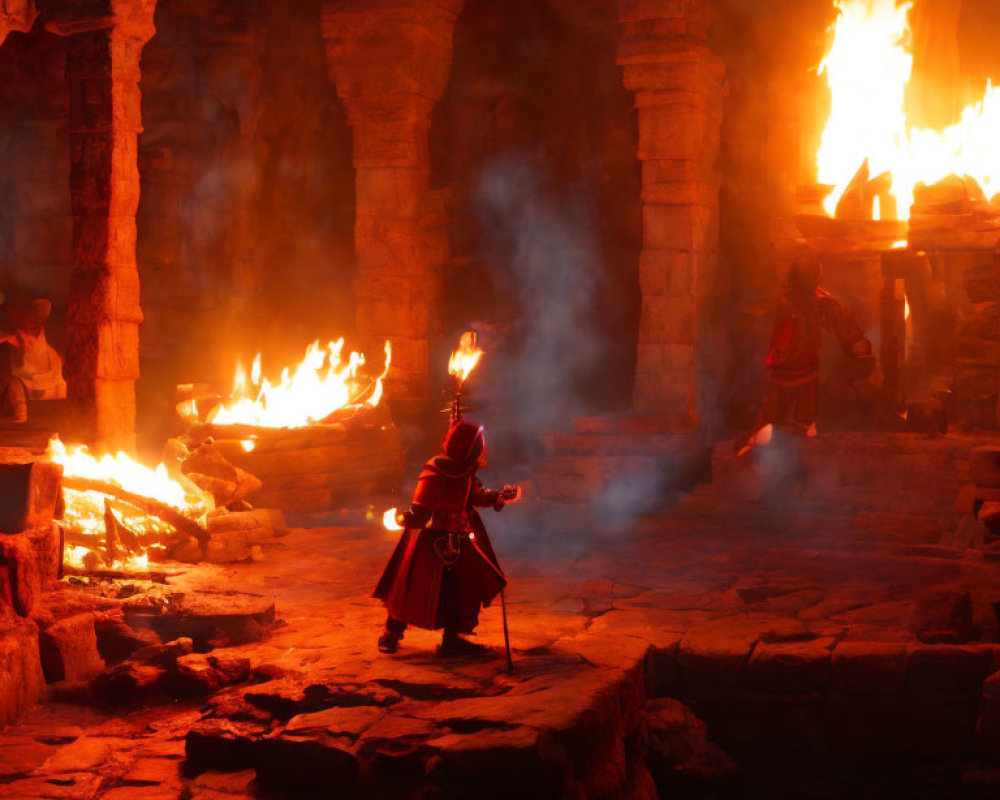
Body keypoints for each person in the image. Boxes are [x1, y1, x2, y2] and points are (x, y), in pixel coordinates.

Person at [374, 419, 520, 656]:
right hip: (428, 540)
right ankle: (392, 633)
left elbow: (477, 496)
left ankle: (452, 640)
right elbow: (421, 512)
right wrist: (402, 519)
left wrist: (498, 497)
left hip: (460, 539)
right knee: (409, 586)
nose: (482, 451)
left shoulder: (467, 474)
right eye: (478, 446)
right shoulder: (435, 471)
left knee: (463, 590)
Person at [736, 256, 873, 455]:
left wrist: (855, 341)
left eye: (817, 277)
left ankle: (797, 454)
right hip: (782, 371)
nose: (816, 281)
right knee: (770, 415)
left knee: (804, 420)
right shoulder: (784, 304)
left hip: (807, 371)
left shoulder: (820, 301)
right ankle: (752, 446)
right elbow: (774, 334)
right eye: (812, 277)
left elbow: (839, 317)